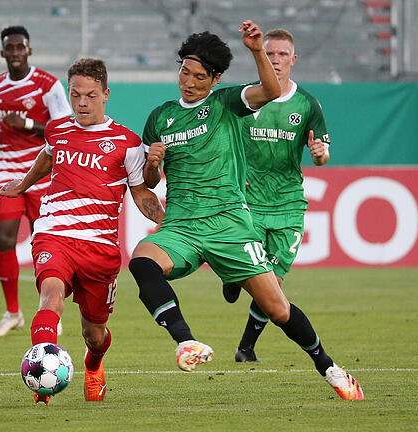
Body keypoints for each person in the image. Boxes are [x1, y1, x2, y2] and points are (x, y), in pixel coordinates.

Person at [129, 21, 364, 400]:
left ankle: (330, 368)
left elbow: (272, 90)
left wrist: (257, 50)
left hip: (230, 224)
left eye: (199, 76)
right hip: (183, 225)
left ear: (215, 78)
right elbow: (148, 181)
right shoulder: (160, 116)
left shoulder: (225, 103)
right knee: (142, 262)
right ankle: (186, 342)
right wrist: (154, 163)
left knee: (277, 308)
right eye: (184, 72)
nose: (188, 82)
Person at [0, 58, 164, 404]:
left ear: (105, 94)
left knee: (94, 333)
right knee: (51, 297)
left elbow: (140, 190)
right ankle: (41, 380)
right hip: (54, 234)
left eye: (90, 95)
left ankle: (94, 365)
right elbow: (47, 156)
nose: (82, 103)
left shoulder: (127, 142)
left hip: (101, 247)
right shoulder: (57, 129)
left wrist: (165, 223)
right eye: (76, 95)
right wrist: (23, 185)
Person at [223, 28, 333, 364]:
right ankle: (233, 276)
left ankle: (246, 348)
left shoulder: (307, 105)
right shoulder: (247, 99)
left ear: (293, 60)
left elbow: (322, 155)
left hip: (288, 205)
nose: (275, 60)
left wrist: (317, 153)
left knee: (275, 282)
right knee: (259, 277)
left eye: (282, 55)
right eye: (269, 54)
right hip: (249, 203)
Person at [0, 26, 72, 337]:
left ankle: (49, 311)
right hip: (6, 169)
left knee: (42, 244)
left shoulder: (48, 85)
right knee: (5, 239)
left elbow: (65, 129)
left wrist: (29, 123)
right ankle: (12, 313)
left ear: (29, 51)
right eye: (10, 48)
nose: (16, 52)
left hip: (42, 170)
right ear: (3, 53)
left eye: (21, 47)